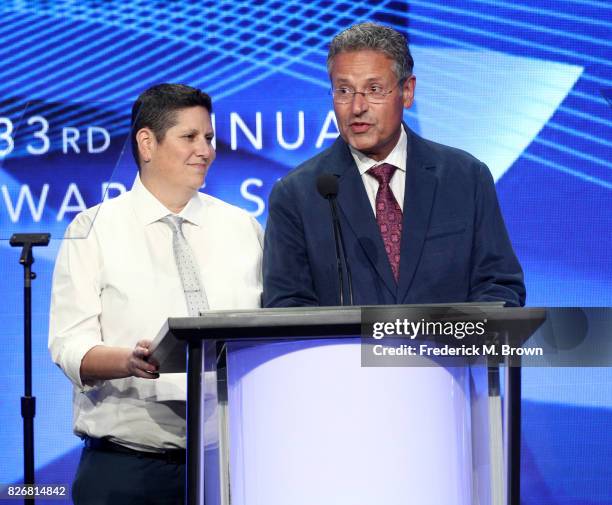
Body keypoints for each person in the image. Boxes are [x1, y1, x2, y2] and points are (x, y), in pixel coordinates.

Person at [48, 83, 263, 504]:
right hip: (127, 470)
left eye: (209, 137)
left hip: (232, 466)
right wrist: (128, 362)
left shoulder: (245, 229)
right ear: (147, 143)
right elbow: (70, 345)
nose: (205, 150)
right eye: (190, 137)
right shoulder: (92, 231)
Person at [263, 22, 525, 308]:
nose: (357, 107)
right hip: (344, 353)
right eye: (344, 91)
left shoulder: (465, 177)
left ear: (407, 91)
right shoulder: (298, 195)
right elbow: (287, 305)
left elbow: (500, 285)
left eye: (374, 89)